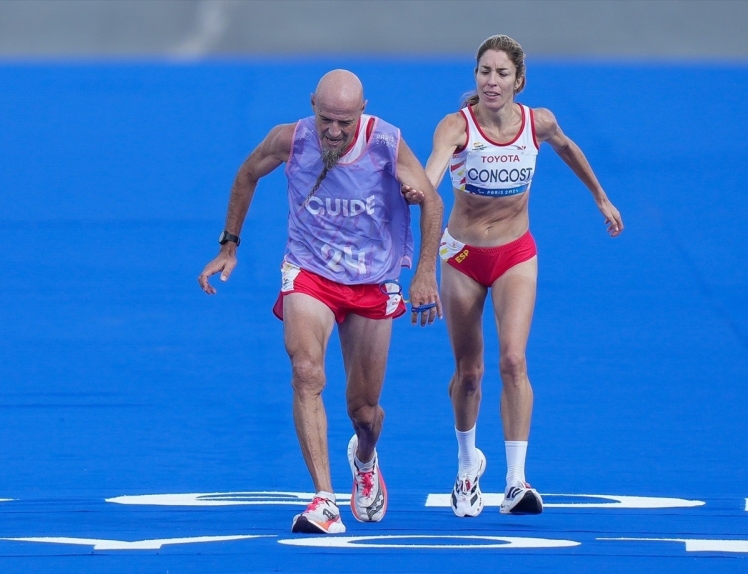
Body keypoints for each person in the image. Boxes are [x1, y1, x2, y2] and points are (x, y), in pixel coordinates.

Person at [199, 69, 444, 534]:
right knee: (306, 371)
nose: (333, 131)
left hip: (372, 279)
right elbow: (247, 173)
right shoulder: (290, 139)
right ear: (312, 104)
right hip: (310, 271)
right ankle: (324, 501)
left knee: (364, 411)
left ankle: (365, 458)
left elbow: (431, 202)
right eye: (326, 119)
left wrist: (426, 272)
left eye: (344, 123)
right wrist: (229, 244)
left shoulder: (387, 143)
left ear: (362, 112)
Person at [404, 35, 623, 517]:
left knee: (514, 361)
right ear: (475, 77)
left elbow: (569, 149)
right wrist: (416, 190)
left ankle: (517, 481)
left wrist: (600, 198)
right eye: (484, 71)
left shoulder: (536, 122)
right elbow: (431, 176)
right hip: (462, 257)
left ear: (519, 82)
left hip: (515, 254)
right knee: (469, 372)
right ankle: (467, 467)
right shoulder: (456, 127)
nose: (491, 81)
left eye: (502, 73)